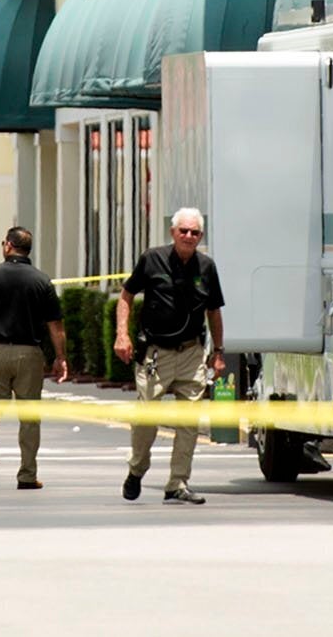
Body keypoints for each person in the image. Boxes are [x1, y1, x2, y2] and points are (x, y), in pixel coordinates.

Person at [116, 207, 225, 505]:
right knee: (146, 419)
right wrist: (122, 335)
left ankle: (177, 483)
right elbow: (126, 296)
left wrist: (218, 352)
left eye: (195, 232)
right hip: (156, 354)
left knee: (189, 422)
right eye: (183, 231)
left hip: (191, 353)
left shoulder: (207, 267)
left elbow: (214, 311)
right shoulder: (152, 259)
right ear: (172, 232)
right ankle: (137, 469)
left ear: (201, 236)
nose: (189, 236)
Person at [0, 226, 67, 491]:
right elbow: (55, 325)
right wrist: (60, 357)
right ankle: (27, 475)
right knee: (30, 417)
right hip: (29, 353)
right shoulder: (41, 281)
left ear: (8, 246)